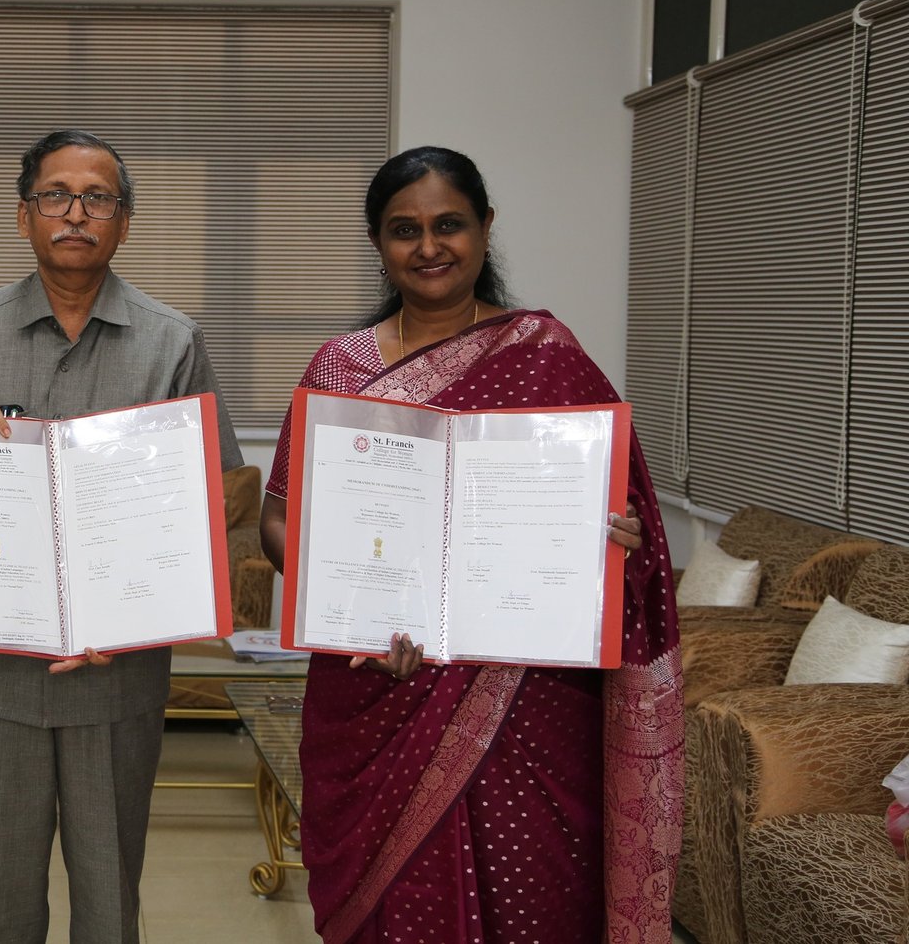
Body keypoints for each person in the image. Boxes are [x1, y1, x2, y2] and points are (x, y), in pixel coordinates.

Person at [259, 146, 682, 944]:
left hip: (527, 699)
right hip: (375, 685)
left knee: (533, 895)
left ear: (486, 228)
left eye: (448, 224)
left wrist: (619, 542)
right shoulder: (340, 368)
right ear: (378, 243)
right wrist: (350, 616)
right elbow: (278, 519)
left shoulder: (549, 356)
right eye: (404, 230)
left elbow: (625, 519)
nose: (429, 247)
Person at [0, 129, 244, 944]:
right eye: (55, 196)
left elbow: (222, 495)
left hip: (117, 676)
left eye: (98, 199)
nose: (75, 214)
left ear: (124, 222)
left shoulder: (172, 340)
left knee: (108, 904)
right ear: (23, 215)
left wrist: (142, 588)